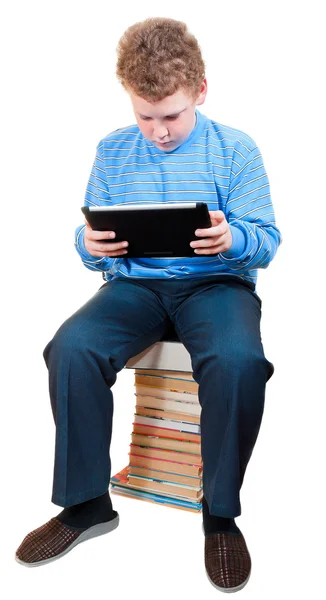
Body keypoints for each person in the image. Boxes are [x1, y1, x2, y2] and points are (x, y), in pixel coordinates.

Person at [15, 17, 281, 593]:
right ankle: (86, 505)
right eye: (146, 116)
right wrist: (86, 244)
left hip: (217, 287)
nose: (159, 132)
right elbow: (91, 242)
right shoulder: (112, 152)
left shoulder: (236, 150)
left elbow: (267, 240)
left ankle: (221, 514)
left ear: (201, 92)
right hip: (134, 287)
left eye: (172, 116)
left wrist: (232, 239)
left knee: (238, 362)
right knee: (72, 346)